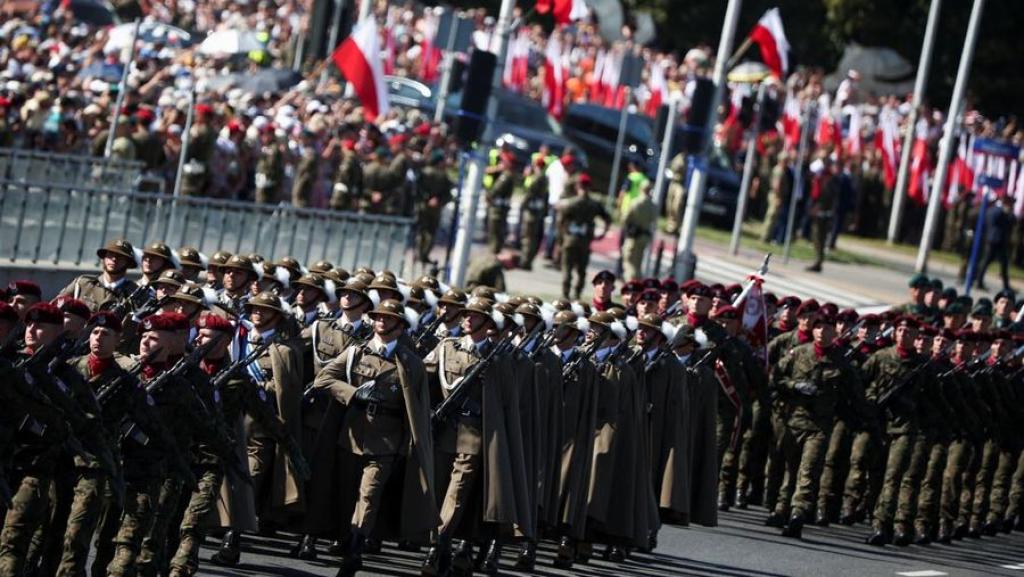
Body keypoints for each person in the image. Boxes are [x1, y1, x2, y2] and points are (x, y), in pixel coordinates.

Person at [310, 300, 438, 576]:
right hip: (352, 437)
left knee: (368, 496)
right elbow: (323, 379)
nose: (381, 321)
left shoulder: (411, 363)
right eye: (378, 316)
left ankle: (355, 549)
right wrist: (353, 393)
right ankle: (347, 539)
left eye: (388, 318)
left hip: (386, 442)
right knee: (347, 497)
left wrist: (408, 446)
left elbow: (416, 408)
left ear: (400, 325)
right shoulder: (356, 352)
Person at [770, 312, 866, 538]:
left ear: (835, 332)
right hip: (794, 421)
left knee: (809, 470)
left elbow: (855, 395)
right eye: (819, 327)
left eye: (828, 328)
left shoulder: (843, 361)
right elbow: (776, 378)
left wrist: (859, 418)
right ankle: (782, 508)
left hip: (820, 426)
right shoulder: (798, 353)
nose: (822, 331)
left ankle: (798, 514)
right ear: (813, 330)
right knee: (791, 469)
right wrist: (796, 386)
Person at [558, 174, 610, 300]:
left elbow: (561, 221)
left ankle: (566, 294)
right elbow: (607, 219)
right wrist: (602, 233)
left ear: (577, 186)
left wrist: (562, 237)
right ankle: (577, 295)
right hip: (585, 241)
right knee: (581, 271)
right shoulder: (594, 204)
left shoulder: (571, 203)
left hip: (570, 239)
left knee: (567, 268)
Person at [59, 239, 140, 312]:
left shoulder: (135, 293)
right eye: (110, 254)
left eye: (120, 256)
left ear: (128, 263)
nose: (114, 259)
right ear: (104, 258)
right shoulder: (83, 284)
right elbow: (56, 306)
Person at [414, 151, 453, 264]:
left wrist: (426, 199)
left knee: (421, 231)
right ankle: (424, 254)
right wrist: (438, 200)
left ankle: (419, 253)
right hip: (435, 209)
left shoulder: (424, 172)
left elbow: (417, 189)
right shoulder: (444, 175)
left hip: (423, 206)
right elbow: (448, 194)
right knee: (431, 232)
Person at [806, 156, 839, 273]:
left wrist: (819, 209)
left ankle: (818, 261)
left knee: (819, 237)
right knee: (817, 237)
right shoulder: (823, 179)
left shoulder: (827, 179)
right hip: (822, 212)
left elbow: (824, 196)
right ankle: (818, 260)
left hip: (822, 213)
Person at [977, 195, 1015, 292]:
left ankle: (1006, 286)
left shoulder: (1005, 212)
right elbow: (993, 219)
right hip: (993, 240)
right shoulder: (996, 210)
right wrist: (1004, 211)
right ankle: (979, 282)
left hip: (1001, 242)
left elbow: (1013, 221)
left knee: (1004, 264)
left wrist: (1008, 213)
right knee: (986, 262)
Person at [620, 181, 657, 281]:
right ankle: (637, 285)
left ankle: (630, 285)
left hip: (634, 235)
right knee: (638, 263)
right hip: (644, 236)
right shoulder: (652, 205)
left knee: (629, 262)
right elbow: (653, 219)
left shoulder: (635, 202)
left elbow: (625, 218)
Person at [520, 156, 550, 271]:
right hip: (539, 212)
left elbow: (529, 194)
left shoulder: (536, 178)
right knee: (533, 237)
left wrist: (523, 205)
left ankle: (525, 261)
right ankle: (529, 260)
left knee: (528, 237)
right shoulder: (545, 179)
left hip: (531, 211)